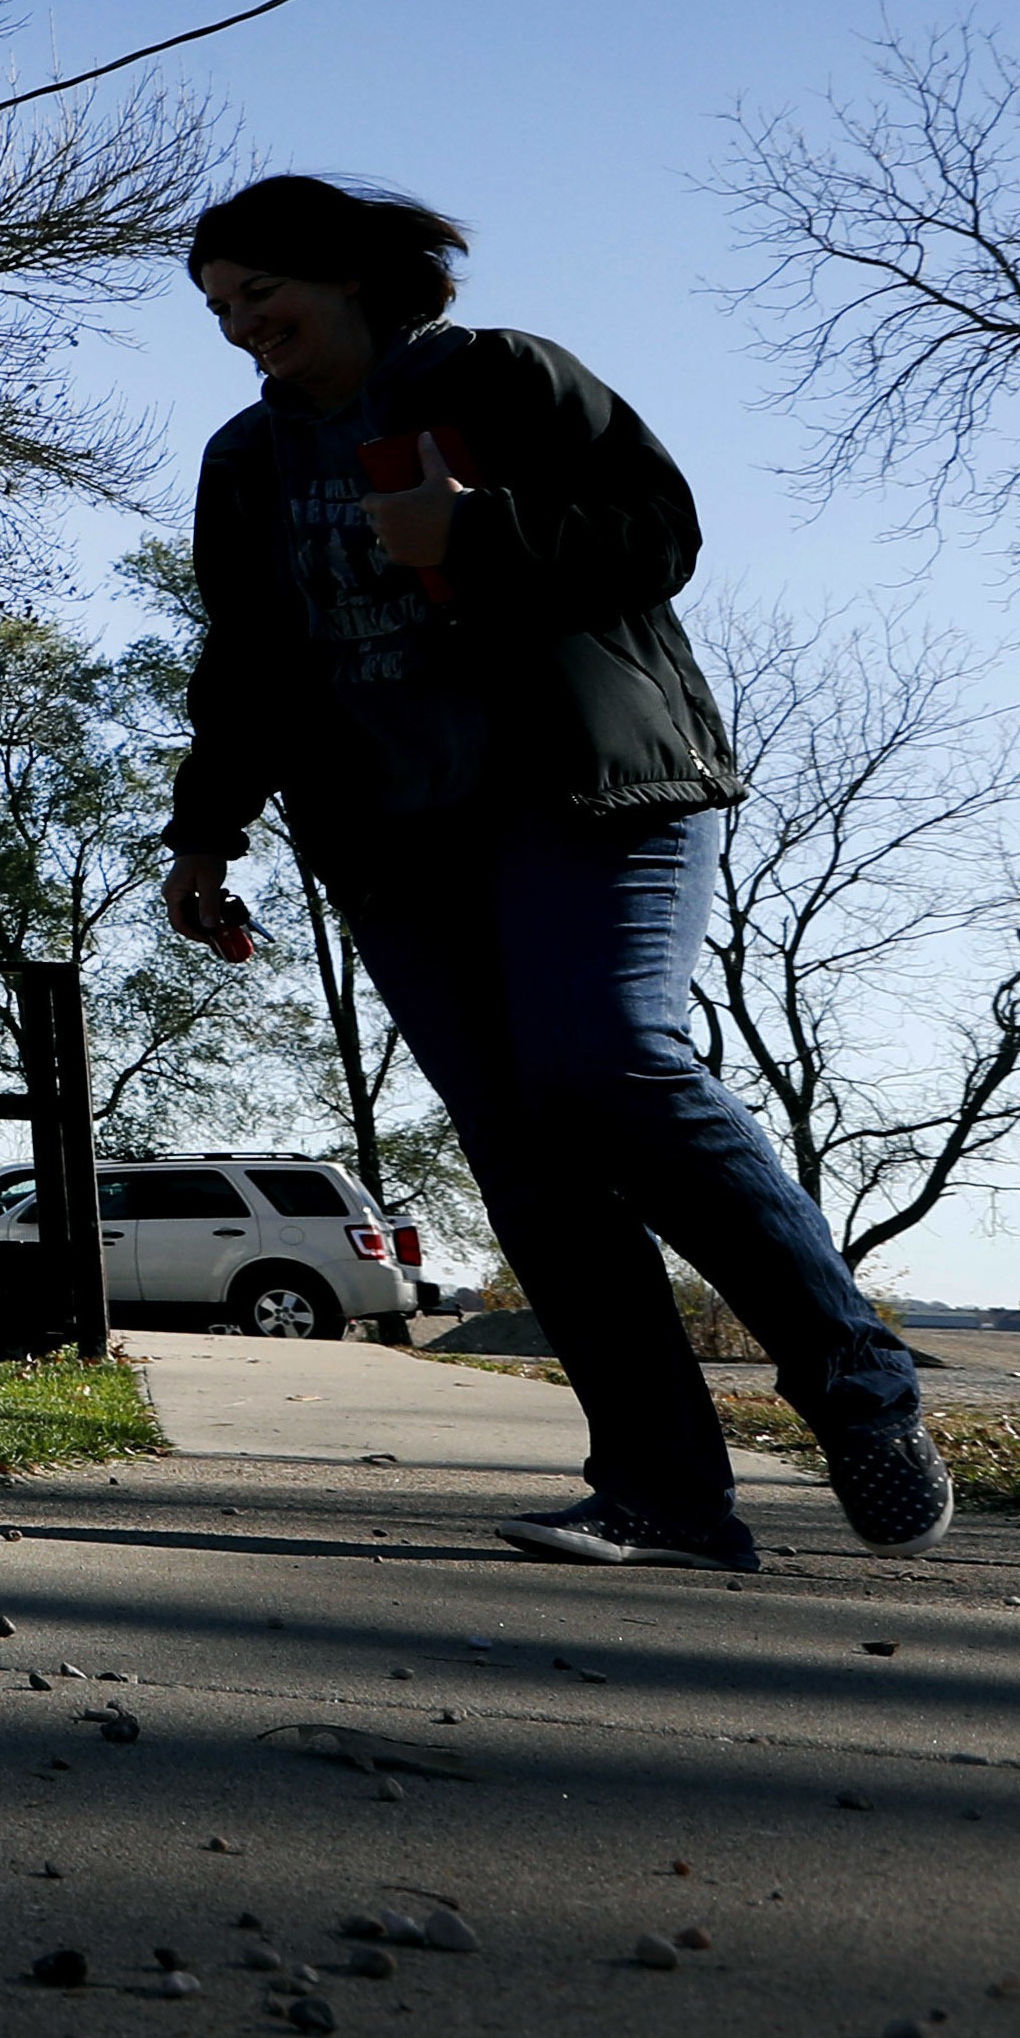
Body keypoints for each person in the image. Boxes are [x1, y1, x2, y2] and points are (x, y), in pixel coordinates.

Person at [158, 173, 948, 1571]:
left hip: (588, 792)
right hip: (400, 839)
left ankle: (862, 1392)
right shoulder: (245, 460)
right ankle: (667, 1498)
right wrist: (205, 834)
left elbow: (659, 537)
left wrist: (479, 535)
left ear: (347, 273)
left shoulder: (503, 377)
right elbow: (251, 666)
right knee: (526, 1158)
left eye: (260, 296)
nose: (241, 327)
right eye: (219, 308)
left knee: (606, 1063)